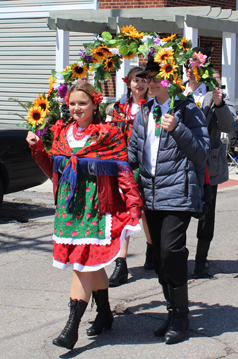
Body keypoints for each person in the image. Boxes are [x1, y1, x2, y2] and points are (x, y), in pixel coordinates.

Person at [26, 82, 143, 350]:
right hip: (69, 210)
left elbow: (123, 171)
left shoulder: (108, 133)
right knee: (92, 263)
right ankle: (104, 314)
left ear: (95, 104)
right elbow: (53, 170)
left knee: (81, 265)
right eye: (72, 104)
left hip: (96, 208)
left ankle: (71, 328)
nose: (76, 109)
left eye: (82, 103)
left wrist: (134, 204)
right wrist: (37, 149)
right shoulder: (61, 132)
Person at [128, 57, 209, 344]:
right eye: (146, 79)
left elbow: (201, 153)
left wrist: (177, 128)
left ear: (168, 79)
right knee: (160, 258)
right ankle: (172, 312)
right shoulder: (144, 112)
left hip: (177, 192)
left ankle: (182, 316)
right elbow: (133, 154)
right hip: (150, 194)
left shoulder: (187, 110)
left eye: (154, 78)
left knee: (172, 252)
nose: (149, 84)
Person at [184, 47, 237, 279]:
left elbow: (230, 127)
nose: (190, 70)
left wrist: (219, 104)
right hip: (179, 164)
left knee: (206, 214)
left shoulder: (215, 93)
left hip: (207, 164)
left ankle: (201, 260)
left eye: (195, 66)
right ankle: (176, 256)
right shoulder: (174, 92)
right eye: (188, 65)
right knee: (178, 212)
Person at [107, 66, 155, 287]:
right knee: (124, 213)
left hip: (147, 167)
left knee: (146, 212)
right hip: (123, 167)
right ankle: (121, 263)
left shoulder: (154, 107)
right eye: (136, 80)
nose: (140, 84)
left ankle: (152, 248)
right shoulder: (119, 108)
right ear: (128, 83)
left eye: (144, 80)